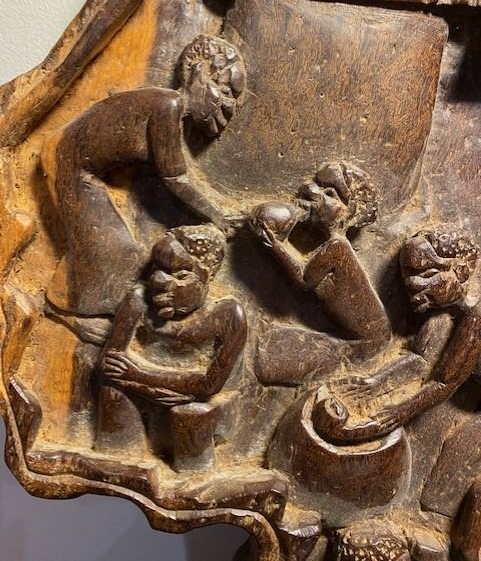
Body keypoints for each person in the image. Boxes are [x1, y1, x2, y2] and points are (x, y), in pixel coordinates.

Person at [42, 34, 246, 317]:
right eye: (223, 91)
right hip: (69, 162)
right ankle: (63, 310)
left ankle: (69, 310)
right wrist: (218, 216)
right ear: (199, 72)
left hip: (78, 166)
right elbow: (176, 178)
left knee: (114, 251)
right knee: (114, 252)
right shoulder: (168, 105)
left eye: (231, 98)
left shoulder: (167, 106)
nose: (226, 105)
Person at [314, 229, 481, 444]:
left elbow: (445, 382)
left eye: (427, 275)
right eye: (409, 275)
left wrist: (399, 413)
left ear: (460, 271)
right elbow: (421, 361)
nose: (414, 285)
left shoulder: (476, 317)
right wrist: (373, 383)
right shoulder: (445, 312)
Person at [95, 224, 247, 459]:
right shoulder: (138, 300)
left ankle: (193, 472)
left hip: (200, 403)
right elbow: (110, 364)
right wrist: (160, 389)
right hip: (152, 390)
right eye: (157, 270)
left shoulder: (228, 314)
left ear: (207, 276)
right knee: (112, 394)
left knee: (195, 414)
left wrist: (138, 375)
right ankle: (116, 460)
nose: (159, 281)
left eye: (181, 275)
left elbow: (209, 385)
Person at [249, 162, 391, 385]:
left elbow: (303, 280)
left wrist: (275, 244)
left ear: (349, 212)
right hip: (357, 338)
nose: (311, 190)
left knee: (268, 355)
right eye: (317, 185)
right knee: (267, 345)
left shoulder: (337, 248)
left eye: (329, 193)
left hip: (363, 345)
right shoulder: (333, 246)